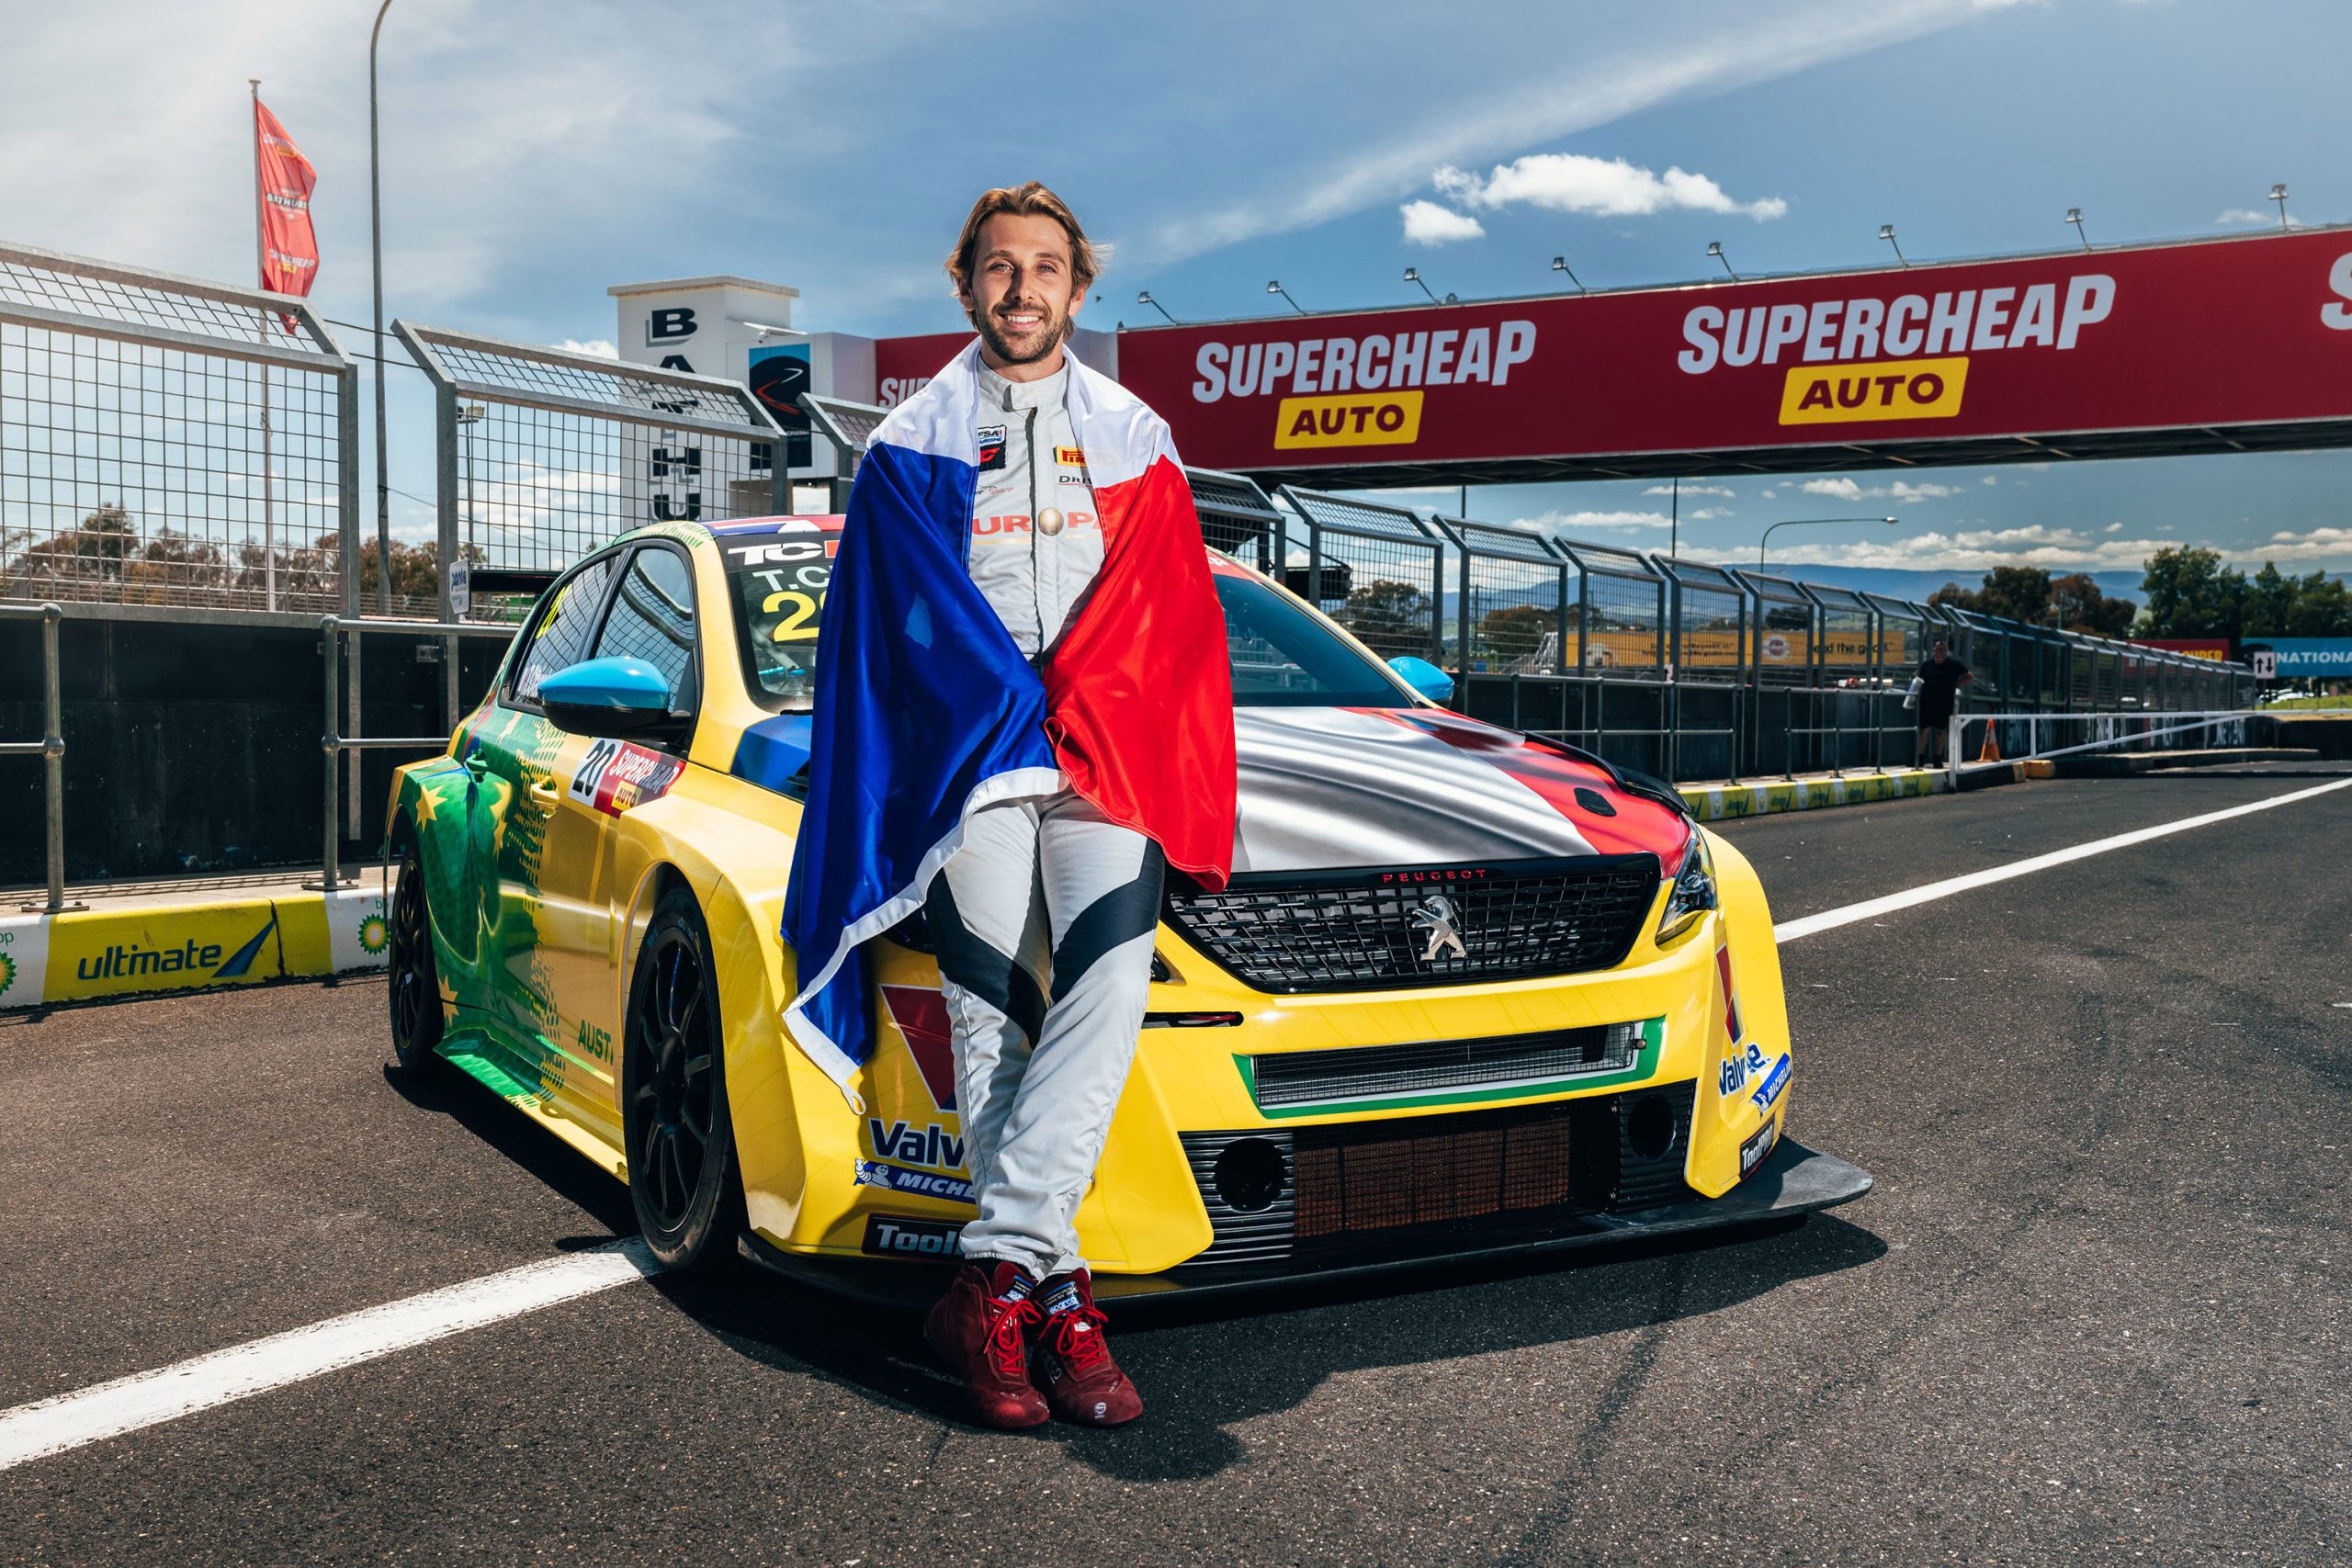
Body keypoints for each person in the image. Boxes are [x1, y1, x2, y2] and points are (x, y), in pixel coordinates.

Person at [784, 182, 1234, 1431]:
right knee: (993, 1011)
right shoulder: (906, 443)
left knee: (1106, 986)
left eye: (1045, 268)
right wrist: (994, 702)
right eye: (999, 267)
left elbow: (1171, 617)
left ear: (1078, 289)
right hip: (972, 755)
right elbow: (885, 631)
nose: (1023, 288)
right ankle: (1061, 1294)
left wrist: (1079, 695)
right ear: (966, 283)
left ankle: (993, 1278)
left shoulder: (1139, 433)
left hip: (1105, 743)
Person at [1914, 637, 1973, 766]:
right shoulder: (1927, 665)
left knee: (1941, 731)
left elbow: (1969, 676)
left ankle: (1937, 758)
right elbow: (1918, 679)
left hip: (1945, 703)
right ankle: (1920, 758)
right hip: (1927, 703)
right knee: (1923, 730)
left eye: (1943, 649)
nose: (1940, 651)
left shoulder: (1953, 665)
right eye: (1938, 649)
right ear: (1934, 650)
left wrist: (1957, 684)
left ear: (1946, 651)